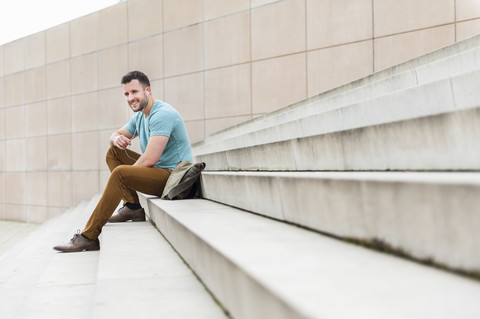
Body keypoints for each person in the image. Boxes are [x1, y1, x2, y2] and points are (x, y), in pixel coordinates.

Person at [54, 71, 193, 252]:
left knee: (121, 174)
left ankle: (88, 236)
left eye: (134, 92)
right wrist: (115, 139)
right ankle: (133, 206)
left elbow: (150, 158)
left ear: (148, 91)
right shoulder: (140, 116)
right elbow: (116, 134)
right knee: (113, 153)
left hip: (175, 178)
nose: (130, 98)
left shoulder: (162, 114)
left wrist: (126, 176)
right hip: (160, 172)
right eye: (126, 94)